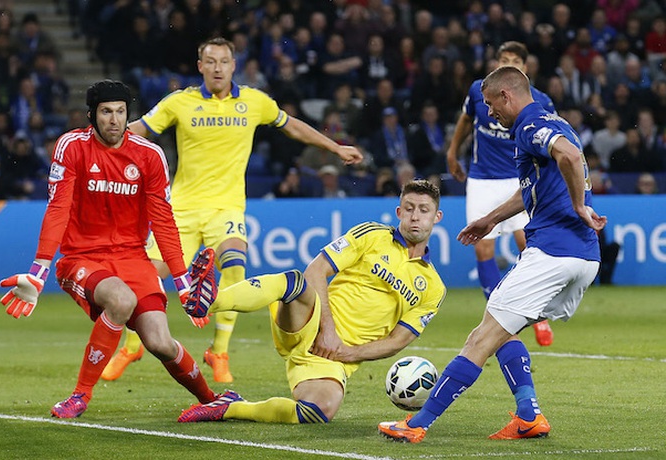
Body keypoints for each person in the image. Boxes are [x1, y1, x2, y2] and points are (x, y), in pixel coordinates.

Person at [105, 37, 364, 384]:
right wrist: (98, 141)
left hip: (226, 208)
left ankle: (219, 351)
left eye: (223, 61)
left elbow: (293, 126)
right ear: (200, 66)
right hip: (180, 209)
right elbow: (137, 130)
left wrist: (334, 147)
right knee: (148, 276)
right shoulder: (179, 103)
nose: (217, 68)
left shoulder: (254, 102)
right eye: (210, 61)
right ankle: (133, 343)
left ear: (233, 65)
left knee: (234, 267)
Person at [379, 66, 605, 443]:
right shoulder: (554, 121)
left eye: (490, 103)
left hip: (551, 252)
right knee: (502, 331)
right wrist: (490, 219)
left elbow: (567, 156)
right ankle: (528, 416)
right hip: (584, 258)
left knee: (479, 339)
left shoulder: (531, 125)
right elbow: (535, 185)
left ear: (507, 96)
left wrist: (580, 206)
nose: (489, 112)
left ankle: (415, 425)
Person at [0, 80, 224, 418]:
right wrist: (39, 270)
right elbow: (58, 208)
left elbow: (162, 221)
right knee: (120, 300)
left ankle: (212, 400)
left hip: (134, 260)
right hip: (82, 259)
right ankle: (80, 396)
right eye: (106, 112)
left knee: (160, 342)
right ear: (92, 115)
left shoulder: (149, 155)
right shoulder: (72, 146)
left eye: (120, 112)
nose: (114, 120)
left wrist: (182, 281)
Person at [176, 179, 447, 424]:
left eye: (423, 210)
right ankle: (209, 300)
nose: (415, 217)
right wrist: (327, 330)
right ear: (398, 212)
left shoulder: (434, 288)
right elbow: (316, 270)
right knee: (296, 282)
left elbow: (397, 341)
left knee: (319, 412)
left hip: (330, 359)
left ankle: (231, 407)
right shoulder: (372, 235)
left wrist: (344, 353)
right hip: (310, 321)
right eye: (409, 208)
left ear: (436, 217)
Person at [446, 41, 556, 347]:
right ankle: (496, 318)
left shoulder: (541, 101)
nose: (508, 64)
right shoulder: (479, 91)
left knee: (528, 246)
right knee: (483, 249)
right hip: (482, 178)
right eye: (503, 60)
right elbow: (465, 120)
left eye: (514, 61)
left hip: (519, 180)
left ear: (525, 66)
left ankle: (538, 313)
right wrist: (453, 152)